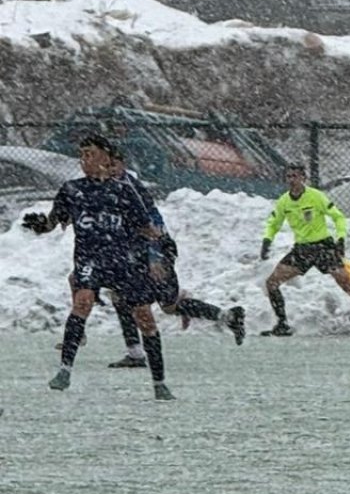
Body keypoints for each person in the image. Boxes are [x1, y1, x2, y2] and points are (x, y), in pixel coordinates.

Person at [21, 134, 175, 400]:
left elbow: (146, 226)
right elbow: (52, 221)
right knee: (82, 303)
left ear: (106, 156)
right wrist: (40, 225)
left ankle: (159, 383)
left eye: (89, 153)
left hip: (123, 260)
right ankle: (64, 370)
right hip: (90, 258)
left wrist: (161, 248)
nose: (84, 160)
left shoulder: (124, 190)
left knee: (145, 318)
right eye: (81, 155)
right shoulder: (72, 190)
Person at [104, 151, 247, 366]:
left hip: (153, 252)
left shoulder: (129, 187)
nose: (109, 170)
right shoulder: (112, 187)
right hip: (140, 253)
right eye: (106, 166)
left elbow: (153, 222)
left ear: (122, 165)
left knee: (137, 300)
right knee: (159, 303)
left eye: (113, 165)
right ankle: (227, 317)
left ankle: (137, 354)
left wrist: (155, 256)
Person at [259, 164, 350, 337]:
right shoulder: (284, 201)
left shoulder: (316, 197)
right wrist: (266, 240)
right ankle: (282, 324)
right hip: (302, 251)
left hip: (324, 248)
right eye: (288, 177)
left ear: (303, 178)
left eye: (295, 176)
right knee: (271, 283)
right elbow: (274, 223)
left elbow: (338, 217)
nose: (291, 180)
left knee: (348, 286)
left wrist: (341, 239)